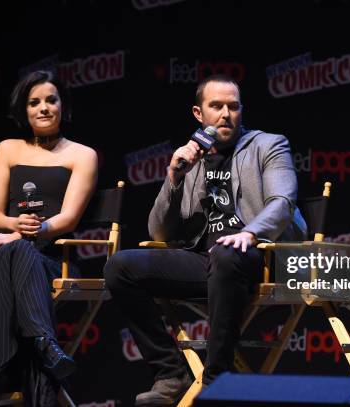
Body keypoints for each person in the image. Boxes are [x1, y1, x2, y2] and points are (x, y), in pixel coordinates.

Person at [103, 74, 306, 406]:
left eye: (233, 106)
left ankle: (216, 382)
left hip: (258, 257)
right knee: (119, 266)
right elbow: (159, 233)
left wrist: (249, 233)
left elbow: (282, 203)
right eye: (217, 106)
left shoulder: (268, 144)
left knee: (226, 254)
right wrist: (174, 178)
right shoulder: (192, 156)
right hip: (206, 260)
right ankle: (170, 373)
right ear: (199, 114)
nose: (226, 114)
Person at [0, 70, 98, 405]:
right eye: (33, 102)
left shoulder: (82, 155)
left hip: (52, 260)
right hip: (5, 261)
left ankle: (32, 348)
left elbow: (68, 219)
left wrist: (23, 235)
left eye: (50, 100)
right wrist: (13, 229)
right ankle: (43, 343)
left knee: (23, 252)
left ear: (63, 107)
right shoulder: (7, 149)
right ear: (23, 111)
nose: (43, 108)